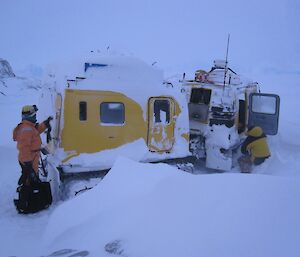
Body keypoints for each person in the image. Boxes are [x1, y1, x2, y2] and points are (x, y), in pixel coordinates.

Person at [13, 105, 52, 186]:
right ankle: (28, 196)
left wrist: (45, 124)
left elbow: (36, 132)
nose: (35, 116)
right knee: (30, 180)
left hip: (31, 157)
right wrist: (28, 164)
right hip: (28, 159)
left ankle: (28, 193)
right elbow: (24, 147)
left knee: (29, 177)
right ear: (30, 116)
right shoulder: (26, 129)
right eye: (34, 115)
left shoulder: (29, 127)